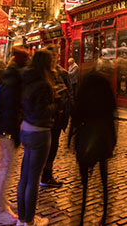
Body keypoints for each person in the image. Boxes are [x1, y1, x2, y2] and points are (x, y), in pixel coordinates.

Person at [68, 67, 117, 226]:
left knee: (83, 184)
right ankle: (104, 217)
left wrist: (70, 137)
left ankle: (81, 217)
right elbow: (113, 116)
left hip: (86, 138)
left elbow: (76, 114)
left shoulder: (84, 89)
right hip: (103, 139)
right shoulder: (106, 89)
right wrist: (113, 140)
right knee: (103, 181)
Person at [16, 50, 55, 226]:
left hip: (25, 128)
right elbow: (44, 110)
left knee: (24, 176)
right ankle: (30, 221)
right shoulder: (44, 84)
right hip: (40, 131)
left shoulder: (26, 79)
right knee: (34, 178)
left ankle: (21, 218)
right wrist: (56, 107)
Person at [0, 50, 26, 226]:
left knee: (2, 167)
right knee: (5, 169)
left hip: (2, 129)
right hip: (8, 130)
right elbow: (12, 109)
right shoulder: (15, 82)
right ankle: (0, 212)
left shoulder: (7, 77)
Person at [40, 49, 72, 189]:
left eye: (55, 56)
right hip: (43, 120)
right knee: (41, 149)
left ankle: (47, 175)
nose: (54, 59)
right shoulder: (39, 75)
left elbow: (69, 95)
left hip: (57, 119)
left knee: (52, 148)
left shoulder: (62, 73)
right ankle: (37, 176)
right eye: (52, 57)